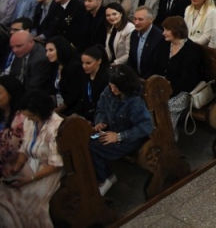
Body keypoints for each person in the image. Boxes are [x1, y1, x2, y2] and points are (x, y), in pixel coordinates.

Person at [0, 90, 63, 227]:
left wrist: (31, 178)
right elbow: (25, 149)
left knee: (29, 207)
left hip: (49, 171)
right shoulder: (30, 122)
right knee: (5, 195)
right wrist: (16, 167)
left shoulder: (56, 126)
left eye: (31, 116)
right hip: (31, 165)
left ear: (39, 113)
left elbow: (56, 163)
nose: (28, 119)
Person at [90, 66, 154, 196]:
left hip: (129, 138)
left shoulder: (134, 101)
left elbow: (145, 127)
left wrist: (118, 136)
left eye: (116, 88)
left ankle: (104, 179)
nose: (112, 90)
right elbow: (101, 108)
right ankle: (106, 175)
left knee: (92, 147)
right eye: (111, 86)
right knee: (86, 141)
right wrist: (100, 122)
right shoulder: (109, 91)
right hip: (111, 130)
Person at [160, 16, 205, 138]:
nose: (163, 33)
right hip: (165, 87)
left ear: (176, 30)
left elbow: (188, 80)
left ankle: (170, 140)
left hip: (185, 91)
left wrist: (168, 92)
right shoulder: (165, 45)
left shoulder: (191, 50)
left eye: (167, 30)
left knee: (167, 108)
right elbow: (158, 67)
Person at [44, 36, 84, 115]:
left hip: (73, 111)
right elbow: (52, 90)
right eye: (46, 50)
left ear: (60, 49)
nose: (47, 54)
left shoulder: (74, 67)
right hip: (59, 108)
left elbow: (73, 96)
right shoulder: (54, 66)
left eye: (51, 50)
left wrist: (56, 111)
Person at [74, 46, 108, 122]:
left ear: (99, 61)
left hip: (101, 119)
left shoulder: (106, 79)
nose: (84, 66)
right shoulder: (83, 76)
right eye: (83, 63)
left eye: (88, 63)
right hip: (86, 115)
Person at [103, 2, 134, 67]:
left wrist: (113, 64)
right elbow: (108, 49)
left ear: (121, 14)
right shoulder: (111, 27)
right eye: (108, 15)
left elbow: (129, 54)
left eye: (114, 14)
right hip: (112, 63)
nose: (111, 17)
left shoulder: (129, 28)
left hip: (124, 66)